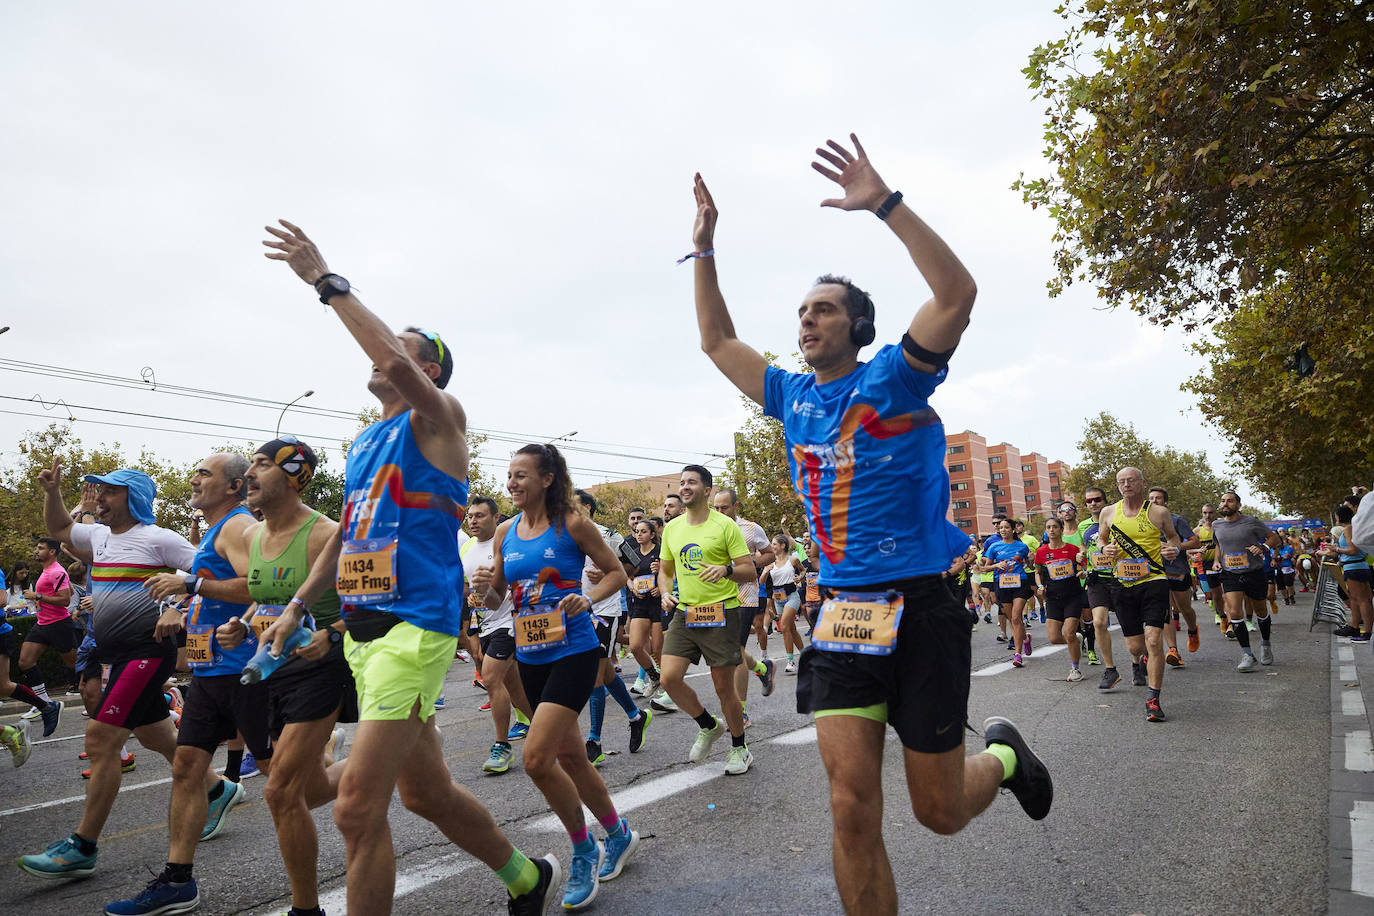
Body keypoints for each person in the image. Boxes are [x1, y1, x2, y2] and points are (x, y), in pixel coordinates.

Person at [687, 134, 1051, 915]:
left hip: (920, 605)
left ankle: (1004, 758)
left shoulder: (894, 375)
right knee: (852, 809)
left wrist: (885, 203)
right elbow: (717, 341)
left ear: (858, 326)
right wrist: (704, 251)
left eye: (824, 310)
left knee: (939, 811)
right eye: (802, 312)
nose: (807, 320)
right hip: (845, 613)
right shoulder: (789, 396)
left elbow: (956, 295)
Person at [259, 219, 556, 914]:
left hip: (413, 626)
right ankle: (526, 878)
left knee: (357, 810)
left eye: (407, 349)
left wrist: (326, 282)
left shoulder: (440, 419)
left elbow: (392, 360)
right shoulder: (366, 441)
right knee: (424, 792)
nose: (387, 355)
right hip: (362, 630)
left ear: (429, 372)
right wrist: (300, 605)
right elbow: (348, 536)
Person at [472, 445, 639, 909]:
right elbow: (500, 599)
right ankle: (619, 834)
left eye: (521, 475)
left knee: (538, 758)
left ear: (547, 478)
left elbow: (616, 573)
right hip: (530, 653)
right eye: (509, 475)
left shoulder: (572, 523)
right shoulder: (506, 532)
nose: (512, 483)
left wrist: (587, 597)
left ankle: (583, 849)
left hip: (574, 651)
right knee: (570, 757)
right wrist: (484, 591)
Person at [104, 452, 266, 915]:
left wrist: (189, 586)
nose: (193, 478)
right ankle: (178, 880)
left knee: (289, 783)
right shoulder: (215, 531)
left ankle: (350, 767)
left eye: (203, 473)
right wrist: (181, 604)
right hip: (211, 674)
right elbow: (204, 588)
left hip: (243, 673)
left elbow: (257, 586)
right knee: (186, 769)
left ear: (233, 487)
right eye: (193, 470)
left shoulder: (237, 526)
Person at [19, 465, 194, 880]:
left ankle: (83, 846)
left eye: (109, 493)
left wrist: (174, 606)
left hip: (147, 653)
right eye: (97, 492)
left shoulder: (159, 539)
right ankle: (217, 789)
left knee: (100, 738)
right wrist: (54, 492)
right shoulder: (99, 537)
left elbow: (212, 571)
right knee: (157, 736)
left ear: (132, 497)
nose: (98, 499)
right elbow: (61, 527)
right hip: (117, 656)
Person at [213, 437, 354, 916]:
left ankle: (305, 909)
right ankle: (387, 758)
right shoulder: (252, 537)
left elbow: (375, 603)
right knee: (308, 790)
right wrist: (239, 625)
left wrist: (331, 635)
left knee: (280, 792)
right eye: (249, 464)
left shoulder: (325, 533)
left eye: (260, 465)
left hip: (323, 669)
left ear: (295, 476)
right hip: (269, 669)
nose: (249, 474)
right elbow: (267, 599)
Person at [656, 464, 757, 773]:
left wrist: (726, 570)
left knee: (724, 689)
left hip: (720, 613)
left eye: (692, 482)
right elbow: (665, 571)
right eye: (682, 482)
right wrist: (663, 592)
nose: (685, 487)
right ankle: (708, 724)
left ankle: (740, 748)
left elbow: (749, 571)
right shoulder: (672, 528)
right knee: (668, 679)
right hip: (685, 613)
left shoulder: (725, 526)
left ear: (707, 489)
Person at [1097, 468, 1184, 722]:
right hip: (1122, 584)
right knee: (1136, 646)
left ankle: (1153, 700)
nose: (1126, 485)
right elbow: (1101, 540)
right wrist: (1106, 548)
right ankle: (1145, 658)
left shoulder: (1158, 512)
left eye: (1131, 480)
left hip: (1154, 581)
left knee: (1155, 640)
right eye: (1121, 482)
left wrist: (1174, 550)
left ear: (1142, 484)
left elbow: (1174, 538)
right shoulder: (1108, 512)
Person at [576, 489, 651, 767]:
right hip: (577, 609)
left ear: (586, 507)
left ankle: (594, 741)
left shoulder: (608, 534)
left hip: (605, 610)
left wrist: (610, 571)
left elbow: (634, 562)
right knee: (605, 673)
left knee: (596, 671)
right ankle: (636, 716)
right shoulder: (565, 535)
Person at [462, 496, 535, 775]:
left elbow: (509, 586)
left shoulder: (506, 545)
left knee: (491, 678)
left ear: (496, 518)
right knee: (515, 691)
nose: (473, 521)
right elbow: (475, 594)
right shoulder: (468, 550)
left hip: (512, 621)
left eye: (480, 516)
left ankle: (502, 746)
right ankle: (551, 732)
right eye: (470, 516)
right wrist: (474, 624)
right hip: (487, 624)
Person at [711, 488, 779, 718]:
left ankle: (740, 711)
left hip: (745, 595)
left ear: (736, 507)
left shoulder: (750, 528)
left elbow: (769, 554)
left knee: (734, 651)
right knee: (729, 650)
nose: (719, 512)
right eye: (716, 508)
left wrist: (751, 561)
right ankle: (762, 668)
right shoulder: (709, 528)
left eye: (724, 508)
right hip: (715, 596)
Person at [1212, 490, 1281, 669]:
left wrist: (1263, 547)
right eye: (1222, 501)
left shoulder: (1250, 522)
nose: (1225, 504)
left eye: (1230, 501)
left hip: (1253, 571)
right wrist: (1216, 561)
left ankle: (1266, 644)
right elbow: (1219, 544)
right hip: (1230, 573)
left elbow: (1273, 537)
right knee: (1234, 612)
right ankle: (1247, 654)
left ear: (1238, 505)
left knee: (1260, 610)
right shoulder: (1216, 524)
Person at [16, 537, 77, 711]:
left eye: (41, 548)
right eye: (37, 548)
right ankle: (45, 704)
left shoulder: (56, 571)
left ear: (52, 552)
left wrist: (38, 596)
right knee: (25, 662)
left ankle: (106, 689)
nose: (36, 551)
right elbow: (69, 590)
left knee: (75, 664)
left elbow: (65, 600)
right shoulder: (48, 571)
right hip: (42, 624)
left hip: (59, 625)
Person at [1146, 487, 1201, 665]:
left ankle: (1193, 630)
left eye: (1158, 498)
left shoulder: (1176, 520)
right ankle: (1173, 650)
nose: (1154, 501)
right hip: (1154, 572)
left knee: (1185, 608)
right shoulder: (1143, 522)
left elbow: (1195, 541)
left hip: (1177, 570)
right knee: (1165, 610)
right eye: (1151, 498)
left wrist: (1176, 548)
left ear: (1165, 502)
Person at [1033, 518, 1085, 681]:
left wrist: (1083, 572)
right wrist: (1040, 586)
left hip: (1073, 596)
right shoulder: (1041, 552)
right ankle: (1076, 641)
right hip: (1053, 597)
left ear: (1061, 529)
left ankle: (1075, 669)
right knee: (1055, 638)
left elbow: (1083, 567)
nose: (1052, 530)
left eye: (1055, 527)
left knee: (1068, 633)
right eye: (1048, 527)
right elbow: (1037, 572)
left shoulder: (1072, 549)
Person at [1082, 487, 1122, 689]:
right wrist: (1080, 557)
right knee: (1098, 622)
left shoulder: (1118, 520)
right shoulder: (1084, 527)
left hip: (1120, 578)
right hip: (1097, 580)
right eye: (1088, 501)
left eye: (1097, 499)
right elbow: (1082, 549)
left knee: (1131, 625)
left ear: (1105, 501)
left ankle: (1139, 660)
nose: (1093, 503)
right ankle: (1110, 669)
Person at [981, 519, 1033, 667]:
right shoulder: (994, 547)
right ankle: (1025, 638)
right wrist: (997, 564)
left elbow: (1029, 565)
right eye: (1001, 528)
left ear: (1013, 530)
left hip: (1020, 583)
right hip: (1002, 584)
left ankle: (1017, 655)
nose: (1003, 530)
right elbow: (985, 568)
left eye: (1006, 527)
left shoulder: (1022, 547)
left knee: (1016, 618)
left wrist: (1030, 560)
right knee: (1013, 620)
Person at [1325, 503, 1372, 641]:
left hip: (1354, 567)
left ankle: (1367, 633)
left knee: (1363, 600)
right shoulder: (1354, 528)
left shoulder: (1348, 530)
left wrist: (1336, 549)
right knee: (1358, 599)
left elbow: (1353, 550)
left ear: (1339, 517)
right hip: (1358, 566)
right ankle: (1354, 627)